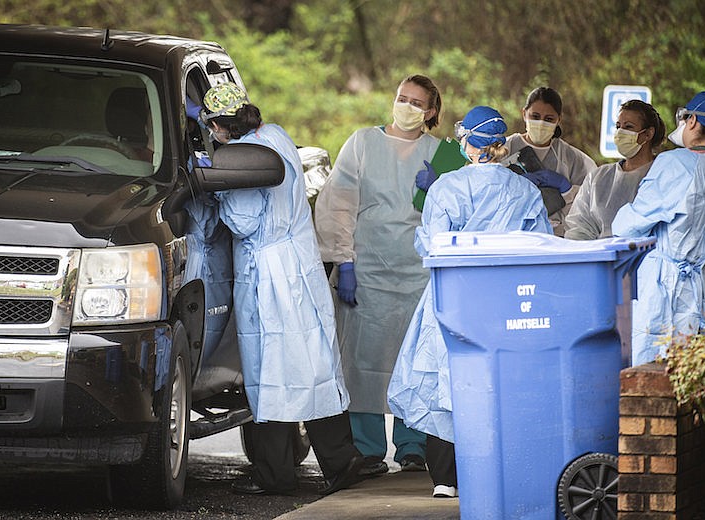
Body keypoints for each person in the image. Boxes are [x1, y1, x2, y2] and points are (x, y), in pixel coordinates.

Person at [199, 82, 363, 495]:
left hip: (269, 272)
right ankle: (342, 465)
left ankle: (274, 476)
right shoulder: (274, 134)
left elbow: (243, 223)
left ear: (219, 126)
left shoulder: (240, 157)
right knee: (313, 366)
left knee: (269, 374)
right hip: (298, 264)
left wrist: (216, 187)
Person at [388, 105, 552, 498]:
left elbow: (430, 245)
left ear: (468, 142)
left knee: (446, 379)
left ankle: (445, 477)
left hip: (454, 296)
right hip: (506, 300)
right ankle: (497, 470)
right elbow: (542, 247)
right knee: (499, 381)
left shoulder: (446, 187)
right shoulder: (525, 189)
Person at [314, 74, 443, 476]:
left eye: (416, 102)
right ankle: (367, 448)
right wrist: (344, 261)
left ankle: (413, 446)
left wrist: (440, 187)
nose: (406, 106)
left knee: (412, 358)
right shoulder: (362, 143)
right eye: (401, 98)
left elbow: (453, 211)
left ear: (432, 111)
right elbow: (338, 203)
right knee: (362, 359)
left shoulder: (441, 154)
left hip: (418, 273)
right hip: (367, 268)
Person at [612, 91, 705, 366]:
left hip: (668, 293)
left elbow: (627, 226)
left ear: (692, 121)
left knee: (654, 382)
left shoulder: (673, 164)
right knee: (699, 376)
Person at [565, 100, 666, 240]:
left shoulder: (664, 175)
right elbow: (578, 227)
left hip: (647, 259)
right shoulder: (598, 177)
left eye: (628, 127)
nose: (620, 133)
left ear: (648, 134)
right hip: (600, 257)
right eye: (618, 126)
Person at [506, 86, 596, 236]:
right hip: (512, 234)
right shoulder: (505, 148)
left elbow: (588, 205)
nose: (541, 123)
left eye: (549, 119)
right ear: (524, 114)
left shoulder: (573, 159)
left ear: (558, 120)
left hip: (555, 237)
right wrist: (513, 184)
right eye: (535, 116)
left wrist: (568, 190)